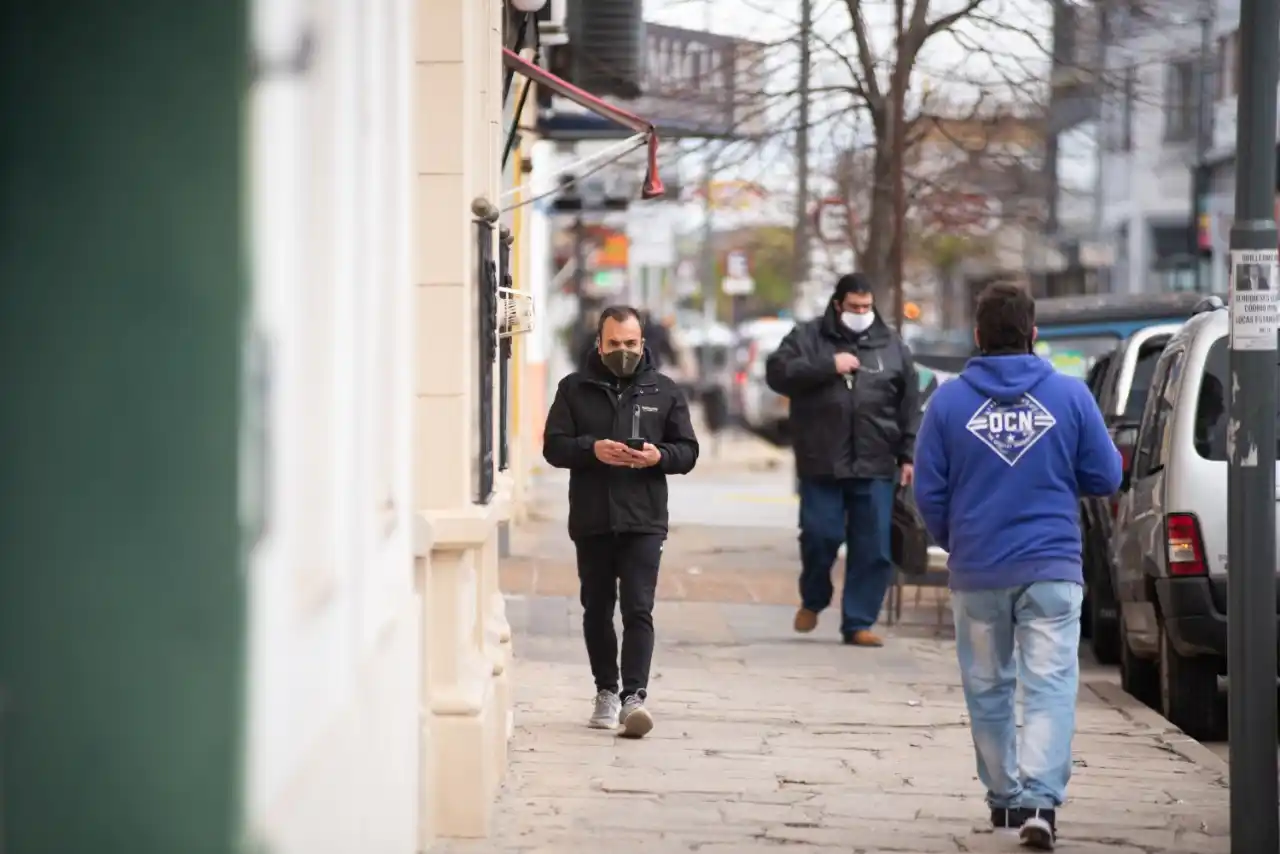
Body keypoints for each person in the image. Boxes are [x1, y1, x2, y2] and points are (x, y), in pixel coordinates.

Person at [912, 283, 1122, 850]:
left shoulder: (949, 403)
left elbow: (927, 492)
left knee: (987, 686)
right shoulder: (1070, 396)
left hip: (978, 570)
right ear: (1034, 334)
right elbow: (1106, 476)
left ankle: (1004, 801)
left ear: (977, 336)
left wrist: (958, 541)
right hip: (1052, 567)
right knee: (1050, 686)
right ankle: (1040, 804)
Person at [542, 305, 700, 738]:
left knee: (638, 607)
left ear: (643, 344)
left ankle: (634, 698)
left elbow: (687, 451)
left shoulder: (663, 391)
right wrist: (592, 449)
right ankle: (605, 691)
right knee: (596, 608)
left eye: (631, 344)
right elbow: (554, 447)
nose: (623, 351)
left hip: (644, 518)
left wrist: (657, 456)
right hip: (592, 517)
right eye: (614, 343)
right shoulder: (574, 388)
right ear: (600, 343)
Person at [765, 272, 920, 647]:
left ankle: (859, 622)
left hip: (875, 460)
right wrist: (826, 366)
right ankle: (814, 599)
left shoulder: (891, 345)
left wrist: (907, 453)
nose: (862, 313)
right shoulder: (808, 337)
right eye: (854, 307)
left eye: (867, 307)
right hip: (822, 459)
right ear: (838, 304)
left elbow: (909, 403)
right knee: (821, 535)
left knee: (873, 547)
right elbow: (777, 372)